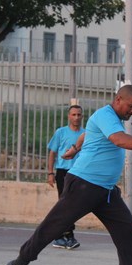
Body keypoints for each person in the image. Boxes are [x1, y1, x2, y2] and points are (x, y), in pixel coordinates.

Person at [5, 85, 132, 265]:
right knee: (54, 226)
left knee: (126, 228)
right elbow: (119, 140)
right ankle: (18, 264)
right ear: (118, 100)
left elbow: (86, 136)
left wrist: (74, 149)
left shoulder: (110, 119)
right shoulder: (105, 115)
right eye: (131, 106)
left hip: (105, 190)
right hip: (84, 184)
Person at [46, 105, 85, 250]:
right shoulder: (61, 132)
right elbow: (52, 153)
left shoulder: (86, 134)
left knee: (74, 205)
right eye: (73, 114)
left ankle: (61, 235)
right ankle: (67, 236)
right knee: (66, 204)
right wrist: (50, 173)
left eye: (79, 115)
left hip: (79, 172)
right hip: (63, 172)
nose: (76, 117)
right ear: (69, 116)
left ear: (82, 116)